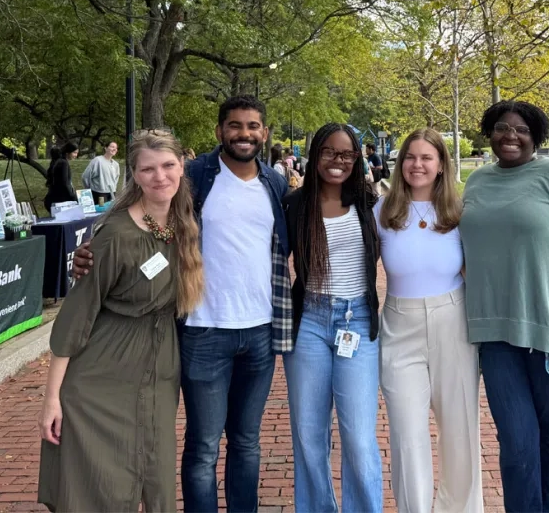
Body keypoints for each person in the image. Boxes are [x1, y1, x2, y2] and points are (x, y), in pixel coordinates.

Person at [72, 95, 292, 512]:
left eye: (252, 126)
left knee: (247, 442)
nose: (243, 134)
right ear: (219, 131)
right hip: (203, 330)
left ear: (264, 133)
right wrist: (92, 247)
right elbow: (138, 212)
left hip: (260, 332)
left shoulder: (273, 183)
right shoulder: (195, 177)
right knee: (204, 445)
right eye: (234, 125)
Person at [37, 130, 204, 512]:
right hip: (104, 373)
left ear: (182, 168)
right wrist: (51, 401)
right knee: (105, 484)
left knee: (155, 470)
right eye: (148, 169)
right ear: (134, 174)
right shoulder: (116, 235)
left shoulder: (183, 223)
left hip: (160, 368)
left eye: (168, 166)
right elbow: (76, 317)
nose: (159, 176)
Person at [460, 100, 549, 512]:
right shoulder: (478, 182)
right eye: (501, 127)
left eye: (521, 129)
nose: (510, 135)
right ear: (489, 133)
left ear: (536, 135)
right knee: (517, 442)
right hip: (494, 335)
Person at [375, 128, 483, 512]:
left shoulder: (460, 213)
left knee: (459, 430)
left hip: (453, 321)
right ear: (400, 162)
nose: (417, 165)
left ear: (440, 166)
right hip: (398, 326)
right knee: (407, 434)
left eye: (426, 158)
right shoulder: (382, 212)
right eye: (410, 157)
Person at [282, 123, 382, 512]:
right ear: (315, 155)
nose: (337, 161)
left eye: (346, 154)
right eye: (328, 152)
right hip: (309, 320)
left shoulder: (370, 203)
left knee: (358, 436)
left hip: (357, 319)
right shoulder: (293, 205)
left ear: (356, 159)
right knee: (309, 435)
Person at [44, 142, 79, 213]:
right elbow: (65, 183)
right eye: (74, 153)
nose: (76, 155)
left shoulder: (59, 162)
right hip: (58, 201)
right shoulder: (63, 163)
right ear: (67, 153)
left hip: (54, 199)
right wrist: (74, 198)